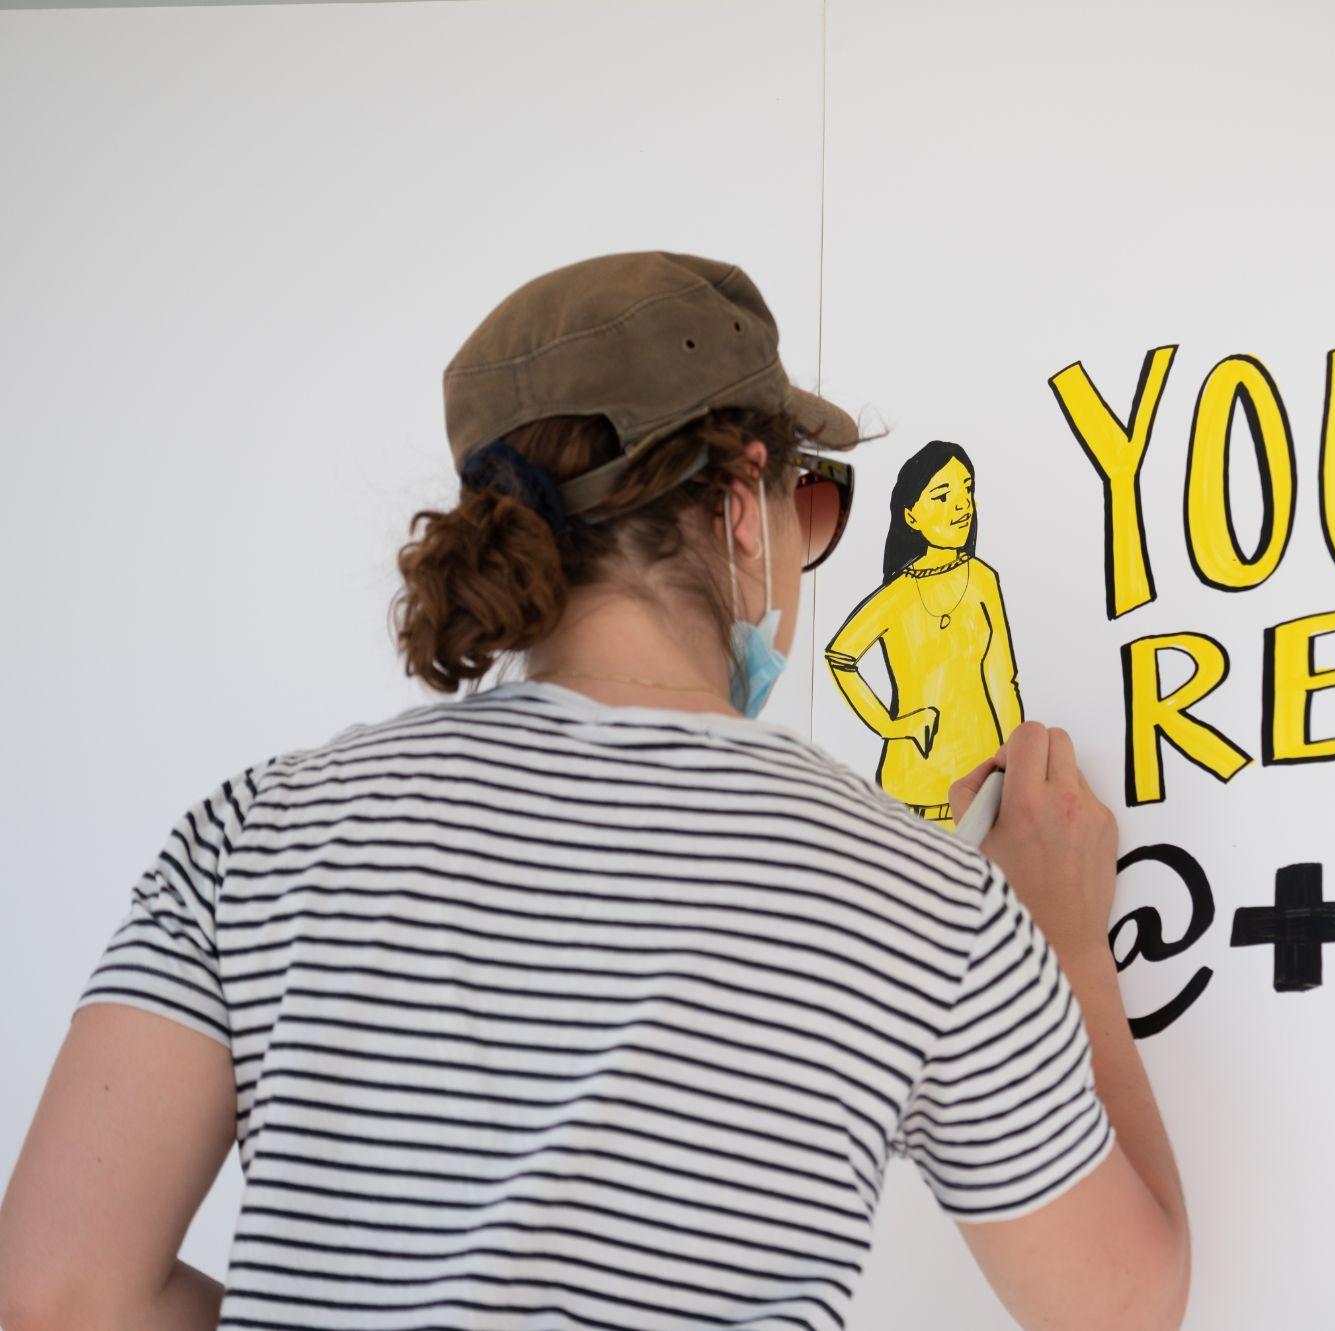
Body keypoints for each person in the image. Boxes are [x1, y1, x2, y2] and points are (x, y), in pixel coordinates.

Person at [0, 251, 1190, 1331]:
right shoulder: (920, 899)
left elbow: (58, 1293)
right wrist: (1069, 949)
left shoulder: (257, 834)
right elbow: (1122, 1309)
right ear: (739, 504)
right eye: (811, 504)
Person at [824, 439, 1023, 828]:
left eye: (967, 489)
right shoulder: (896, 596)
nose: (962, 504)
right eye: (942, 495)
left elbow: (1004, 682)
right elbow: (840, 657)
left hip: (984, 794)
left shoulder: (983, 580)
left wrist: (1016, 771)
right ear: (911, 516)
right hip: (911, 798)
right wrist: (892, 725)